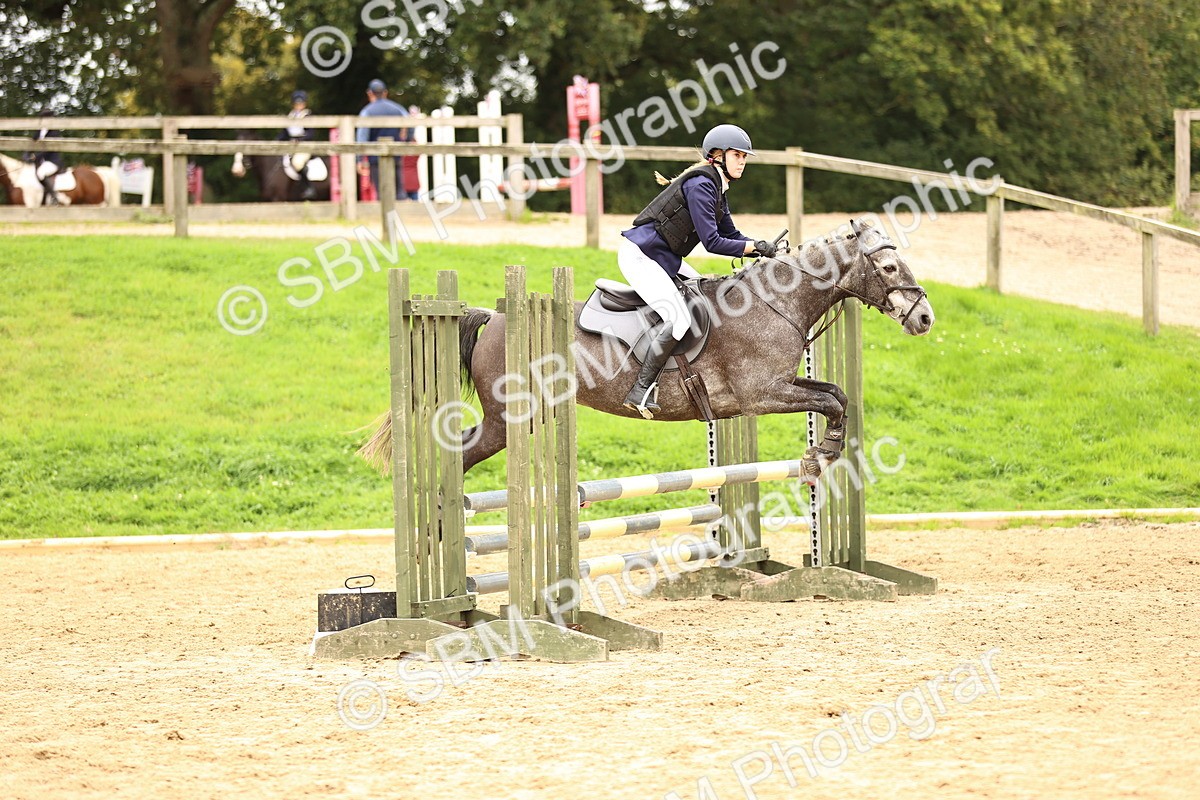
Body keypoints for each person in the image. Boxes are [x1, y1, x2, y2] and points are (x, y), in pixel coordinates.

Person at [618, 123, 779, 418]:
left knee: (703, 295)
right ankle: (640, 390)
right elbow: (713, 241)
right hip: (640, 256)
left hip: (663, 257)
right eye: (738, 155)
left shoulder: (717, 187)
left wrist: (763, 247)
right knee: (678, 319)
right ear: (717, 155)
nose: (743, 161)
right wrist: (753, 247)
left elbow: (732, 233)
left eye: (745, 156)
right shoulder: (701, 185)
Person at [356, 79, 411, 200]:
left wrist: (360, 158)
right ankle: (401, 216)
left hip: (375, 157)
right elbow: (410, 124)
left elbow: (362, 136)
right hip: (396, 154)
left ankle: (386, 216)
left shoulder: (367, 111)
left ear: (370, 93)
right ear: (385, 92)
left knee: (382, 191)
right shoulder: (398, 109)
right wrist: (406, 141)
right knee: (399, 190)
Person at [276, 90, 317, 200]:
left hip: (304, 145)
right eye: (297, 103)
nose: (299, 105)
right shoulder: (290, 116)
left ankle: (309, 187)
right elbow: (284, 133)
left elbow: (311, 133)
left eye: (301, 103)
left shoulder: (307, 116)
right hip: (290, 145)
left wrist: (300, 140)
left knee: (297, 162)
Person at [28, 106, 64, 206]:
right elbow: (31, 143)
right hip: (42, 161)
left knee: (41, 173)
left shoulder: (54, 132)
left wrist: (36, 156)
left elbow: (49, 149)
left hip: (53, 161)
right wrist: (27, 154)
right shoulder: (40, 131)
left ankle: (54, 197)